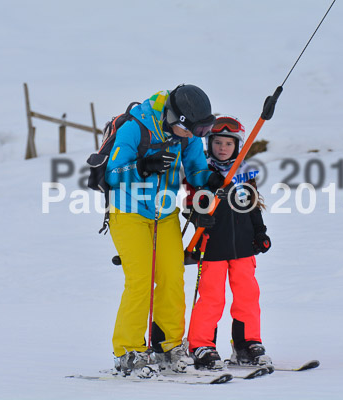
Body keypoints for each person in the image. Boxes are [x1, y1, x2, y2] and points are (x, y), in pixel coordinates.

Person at [105, 84, 227, 376]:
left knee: (172, 277)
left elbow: (196, 168)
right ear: (174, 118)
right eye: (192, 131)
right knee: (141, 280)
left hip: (165, 213)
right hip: (127, 213)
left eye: (201, 132)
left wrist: (209, 180)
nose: (195, 137)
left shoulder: (188, 136)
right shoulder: (137, 126)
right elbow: (112, 173)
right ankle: (128, 351)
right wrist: (143, 166)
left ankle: (167, 347)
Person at [185, 115, 272, 370]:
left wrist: (260, 233)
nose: (222, 148)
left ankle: (247, 344)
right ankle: (202, 345)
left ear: (238, 146)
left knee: (247, 297)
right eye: (217, 143)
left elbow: (252, 207)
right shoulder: (202, 173)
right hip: (212, 246)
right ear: (209, 144)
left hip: (244, 248)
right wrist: (201, 215)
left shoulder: (244, 174)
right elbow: (190, 205)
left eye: (229, 144)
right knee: (212, 298)